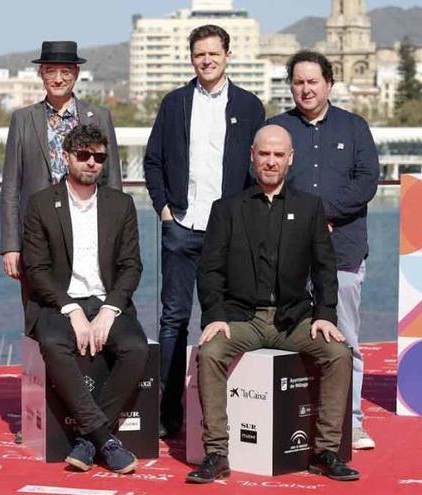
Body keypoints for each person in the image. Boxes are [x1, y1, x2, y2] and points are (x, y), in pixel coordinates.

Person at [186, 125, 359, 484]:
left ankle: (325, 451)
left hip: (293, 320)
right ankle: (216, 452)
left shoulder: (310, 208)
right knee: (211, 351)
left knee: (339, 354)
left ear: (290, 159)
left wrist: (326, 315)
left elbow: (326, 270)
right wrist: (214, 316)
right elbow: (210, 270)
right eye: (264, 154)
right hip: (242, 319)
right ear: (252, 154)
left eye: (278, 155)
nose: (270, 161)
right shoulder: (227, 209)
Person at [143, 24, 265, 438]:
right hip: (180, 227)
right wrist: (163, 209)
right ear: (191, 58)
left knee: (223, 319)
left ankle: (219, 414)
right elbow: (153, 160)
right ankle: (168, 412)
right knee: (173, 320)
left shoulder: (249, 106)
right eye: (199, 54)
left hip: (227, 233)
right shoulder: (174, 103)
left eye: (214, 53)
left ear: (228, 55)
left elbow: (257, 169)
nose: (206, 60)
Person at [268, 50, 380, 450]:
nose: (305, 89)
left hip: (343, 252)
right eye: (298, 82)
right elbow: (264, 178)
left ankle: (351, 421)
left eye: (313, 81)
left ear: (329, 83)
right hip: (288, 256)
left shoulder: (354, 127)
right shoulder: (277, 129)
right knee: (285, 336)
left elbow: (367, 180)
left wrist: (322, 215)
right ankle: (288, 419)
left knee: (345, 338)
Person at [22, 124, 147, 474]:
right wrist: (71, 308)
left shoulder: (120, 205)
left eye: (99, 157)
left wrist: (110, 308)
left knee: (136, 348)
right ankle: (106, 439)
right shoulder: (42, 204)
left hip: (107, 301)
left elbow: (131, 265)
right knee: (52, 342)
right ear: (66, 157)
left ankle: (88, 440)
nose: (92, 163)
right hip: (59, 302)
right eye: (84, 155)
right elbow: (37, 268)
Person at [1, 40, 122, 293]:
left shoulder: (99, 117)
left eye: (65, 71)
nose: (58, 79)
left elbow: (112, 181)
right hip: (38, 233)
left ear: (76, 74)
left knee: (91, 304)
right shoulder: (23, 120)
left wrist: (116, 238)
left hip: (88, 228)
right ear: (41, 73)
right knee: (39, 313)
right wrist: (11, 245)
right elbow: (11, 186)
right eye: (50, 71)